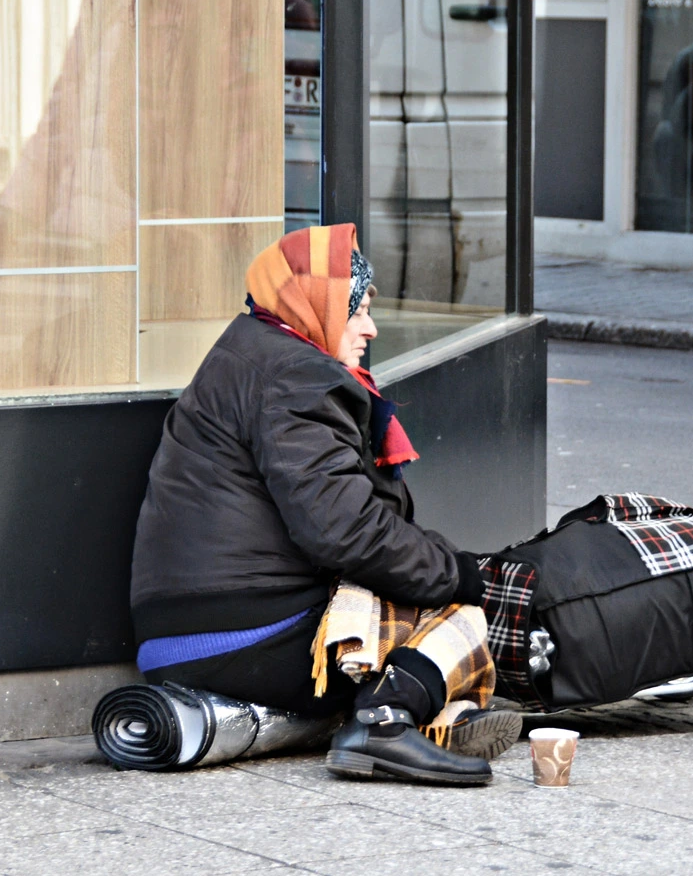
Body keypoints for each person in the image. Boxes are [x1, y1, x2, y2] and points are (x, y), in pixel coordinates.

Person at [129, 224, 519, 785]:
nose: (370, 328)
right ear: (316, 305)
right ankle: (384, 726)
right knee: (459, 615)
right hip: (241, 636)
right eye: (356, 310)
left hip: (192, 629)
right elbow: (346, 532)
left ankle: (435, 720)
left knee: (410, 595)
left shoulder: (254, 351)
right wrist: (457, 573)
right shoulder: (296, 376)